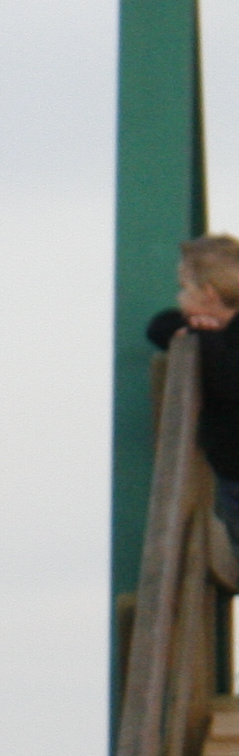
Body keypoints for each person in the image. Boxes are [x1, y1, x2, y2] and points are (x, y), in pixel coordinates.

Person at [145, 233, 239, 549]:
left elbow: (228, 386)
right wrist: (192, 331)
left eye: (185, 288)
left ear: (208, 294)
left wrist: (204, 339)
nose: (180, 297)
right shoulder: (215, 330)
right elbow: (158, 326)